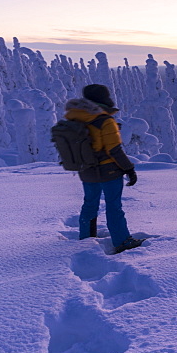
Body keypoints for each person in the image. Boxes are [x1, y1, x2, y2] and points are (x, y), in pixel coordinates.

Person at [64, 84, 143, 254]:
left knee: (89, 203)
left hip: (86, 170)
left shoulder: (76, 118)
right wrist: (129, 169)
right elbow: (114, 150)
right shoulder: (105, 120)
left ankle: (86, 238)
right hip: (109, 171)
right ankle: (122, 241)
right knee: (113, 205)